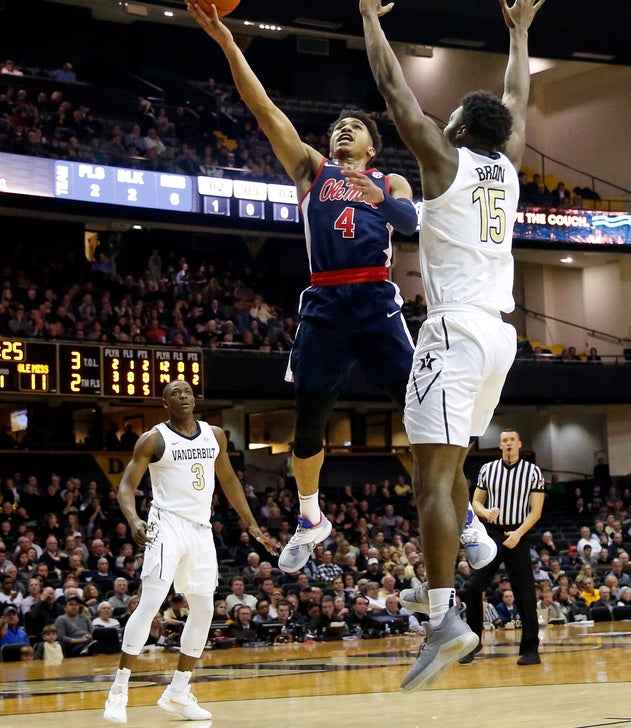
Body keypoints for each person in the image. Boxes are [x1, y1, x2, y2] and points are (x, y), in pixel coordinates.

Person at [189, 0, 418, 576]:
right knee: (308, 421)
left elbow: (412, 225)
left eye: (356, 127)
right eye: (338, 126)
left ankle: (462, 517)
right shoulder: (312, 171)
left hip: (374, 296)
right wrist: (225, 39)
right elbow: (262, 107)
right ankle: (312, 517)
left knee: (419, 415)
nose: (344, 129)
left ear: (371, 146)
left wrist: (380, 199)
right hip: (323, 299)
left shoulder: (388, 178)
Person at [360, 0, 543, 692]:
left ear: (461, 127)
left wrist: (369, 18)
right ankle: (462, 555)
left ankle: (444, 615)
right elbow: (519, 99)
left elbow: (394, 92)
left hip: (454, 329)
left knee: (428, 475)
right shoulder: (512, 165)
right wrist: (520, 34)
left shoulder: (445, 158)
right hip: (499, 335)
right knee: (448, 463)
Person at [102, 379, 279, 724]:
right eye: (174, 394)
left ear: (194, 399)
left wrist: (253, 525)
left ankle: (178, 692)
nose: (182, 396)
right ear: (165, 404)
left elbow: (229, 481)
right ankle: (118, 692)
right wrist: (135, 519)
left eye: (187, 392)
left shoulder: (215, 435)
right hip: (166, 524)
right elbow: (126, 486)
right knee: (151, 602)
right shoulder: (153, 439)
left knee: (204, 610)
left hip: (200, 529)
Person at [453, 429, 547, 665]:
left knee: (524, 594)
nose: (507, 444)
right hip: (492, 533)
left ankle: (530, 649)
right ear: (500, 445)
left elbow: (536, 511)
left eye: (511, 441)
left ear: (519, 444)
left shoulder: (533, 471)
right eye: (504, 441)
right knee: (472, 587)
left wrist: (518, 533)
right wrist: (486, 512)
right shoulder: (488, 469)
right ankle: (474, 643)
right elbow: (476, 501)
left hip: (520, 533)